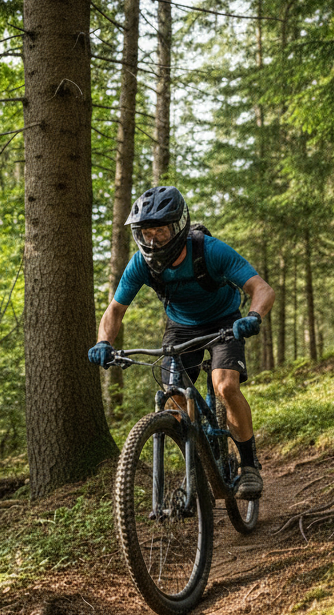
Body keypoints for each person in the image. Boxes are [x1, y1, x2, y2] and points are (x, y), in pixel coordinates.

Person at [89, 186, 275, 497]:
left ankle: (249, 465)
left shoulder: (210, 251)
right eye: (146, 233)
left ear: (177, 227)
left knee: (225, 386)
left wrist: (253, 317)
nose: (152, 240)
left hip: (225, 322)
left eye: (160, 231)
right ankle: (197, 462)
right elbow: (115, 310)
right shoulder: (141, 263)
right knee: (173, 397)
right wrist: (103, 342)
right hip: (181, 327)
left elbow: (262, 288)